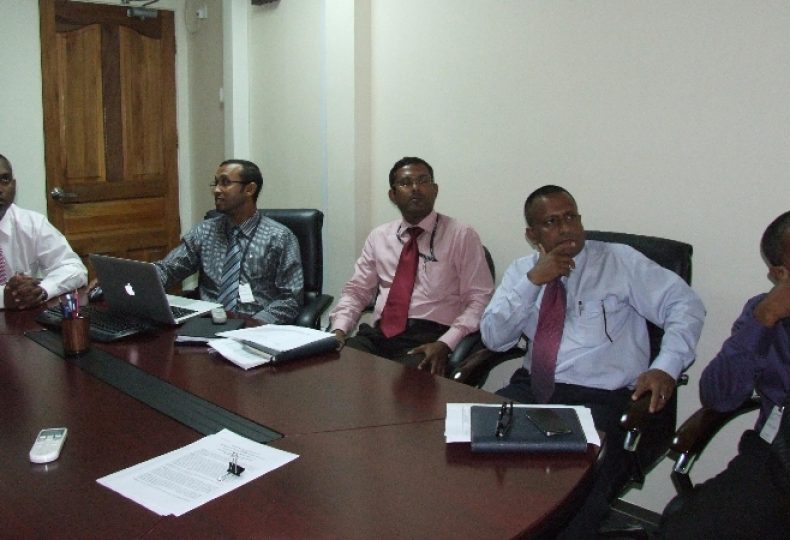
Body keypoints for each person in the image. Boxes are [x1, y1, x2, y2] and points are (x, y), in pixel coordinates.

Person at [480, 185, 705, 538]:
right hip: (533, 390)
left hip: (601, 400)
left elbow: (685, 306)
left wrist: (667, 365)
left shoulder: (620, 261)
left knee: (573, 491)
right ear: (532, 234)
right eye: (552, 221)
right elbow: (494, 337)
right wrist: (532, 282)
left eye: (572, 216)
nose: (567, 227)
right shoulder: (521, 272)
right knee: (473, 452)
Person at [659, 210, 790, 539]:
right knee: (685, 530)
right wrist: (764, 320)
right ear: (780, 274)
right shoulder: (763, 313)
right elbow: (718, 396)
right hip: (778, 458)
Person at [329, 156, 494, 375]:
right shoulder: (379, 237)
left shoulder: (461, 236)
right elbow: (357, 291)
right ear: (393, 195)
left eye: (423, 181)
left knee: (404, 390)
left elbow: (479, 300)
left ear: (435, 190)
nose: (416, 188)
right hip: (379, 335)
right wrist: (339, 330)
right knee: (336, 368)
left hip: (429, 339)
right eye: (406, 183)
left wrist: (446, 343)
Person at [153, 159, 303, 324]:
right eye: (216, 183)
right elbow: (169, 269)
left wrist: (256, 323)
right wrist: (142, 280)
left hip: (256, 327)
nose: (217, 190)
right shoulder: (204, 231)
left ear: (249, 189)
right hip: (207, 324)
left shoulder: (280, 237)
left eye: (225, 183)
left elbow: (291, 299)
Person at [0, 153, 87, 310]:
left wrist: (42, 290)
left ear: (14, 185)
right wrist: (4, 298)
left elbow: (74, 269)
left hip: (19, 324)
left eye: (4, 180)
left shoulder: (32, 224)